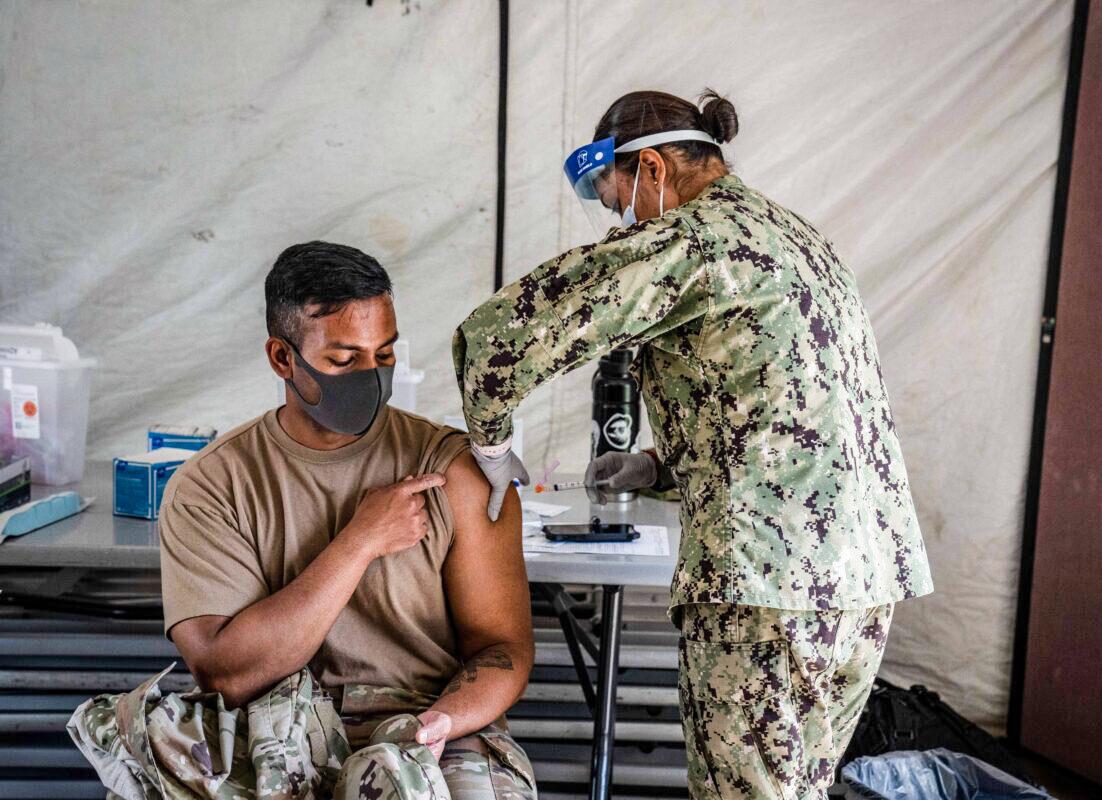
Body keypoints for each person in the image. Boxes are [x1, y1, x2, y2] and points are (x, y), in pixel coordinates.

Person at [453, 90, 934, 799]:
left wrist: (491, 448)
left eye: (621, 202)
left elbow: (499, 337)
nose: (624, 222)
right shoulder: (798, 236)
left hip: (769, 593)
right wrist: (655, 464)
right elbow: (783, 404)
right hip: (862, 587)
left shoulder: (693, 239)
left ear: (653, 168)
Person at [69, 242, 537, 800]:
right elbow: (226, 673)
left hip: (424, 716)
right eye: (344, 360)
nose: (370, 376)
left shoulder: (454, 470)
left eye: (384, 355)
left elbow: (503, 649)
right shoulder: (214, 484)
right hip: (270, 722)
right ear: (282, 358)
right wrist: (359, 543)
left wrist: (440, 723)